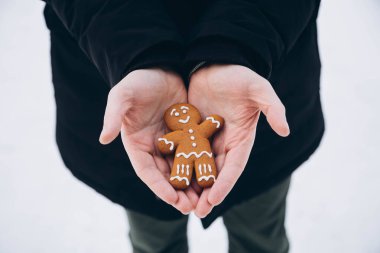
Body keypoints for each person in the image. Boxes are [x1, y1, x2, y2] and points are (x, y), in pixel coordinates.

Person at [42, 0, 324, 252]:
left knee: (260, 235)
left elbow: (208, 125)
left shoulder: (198, 129)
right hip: (128, 118)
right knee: (155, 240)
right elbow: (168, 142)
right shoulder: (179, 131)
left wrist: (238, 45)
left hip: (257, 120)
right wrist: (133, 53)